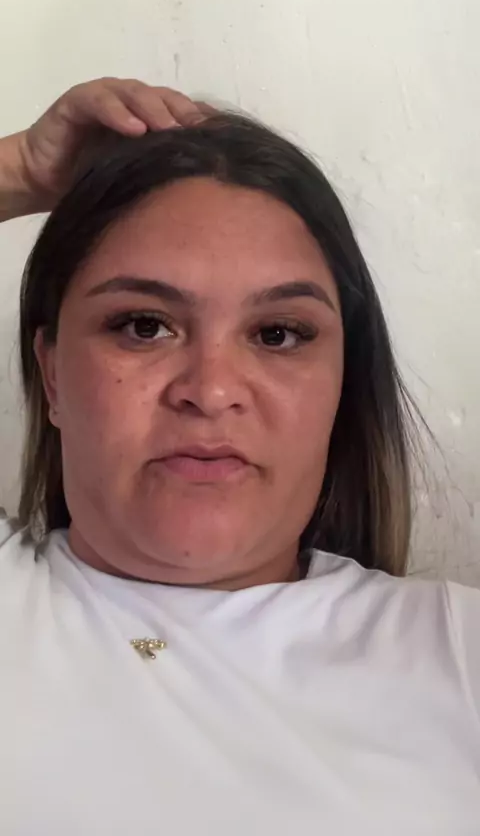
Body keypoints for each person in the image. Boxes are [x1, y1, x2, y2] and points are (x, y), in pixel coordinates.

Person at [0, 77, 478, 834]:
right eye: (144, 326)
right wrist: (20, 169)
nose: (212, 391)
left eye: (278, 334)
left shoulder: (457, 653)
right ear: (52, 375)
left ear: (342, 383)